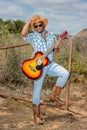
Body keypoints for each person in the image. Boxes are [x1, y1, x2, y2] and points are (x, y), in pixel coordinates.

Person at [21, 15, 69, 125]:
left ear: (43, 25)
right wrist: (29, 21)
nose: (38, 27)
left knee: (65, 73)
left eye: (40, 25)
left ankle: (54, 96)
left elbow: (56, 50)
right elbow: (23, 33)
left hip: (50, 64)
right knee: (37, 91)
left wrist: (57, 47)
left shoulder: (51, 36)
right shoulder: (33, 36)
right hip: (38, 67)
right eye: (36, 25)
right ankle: (36, 116)